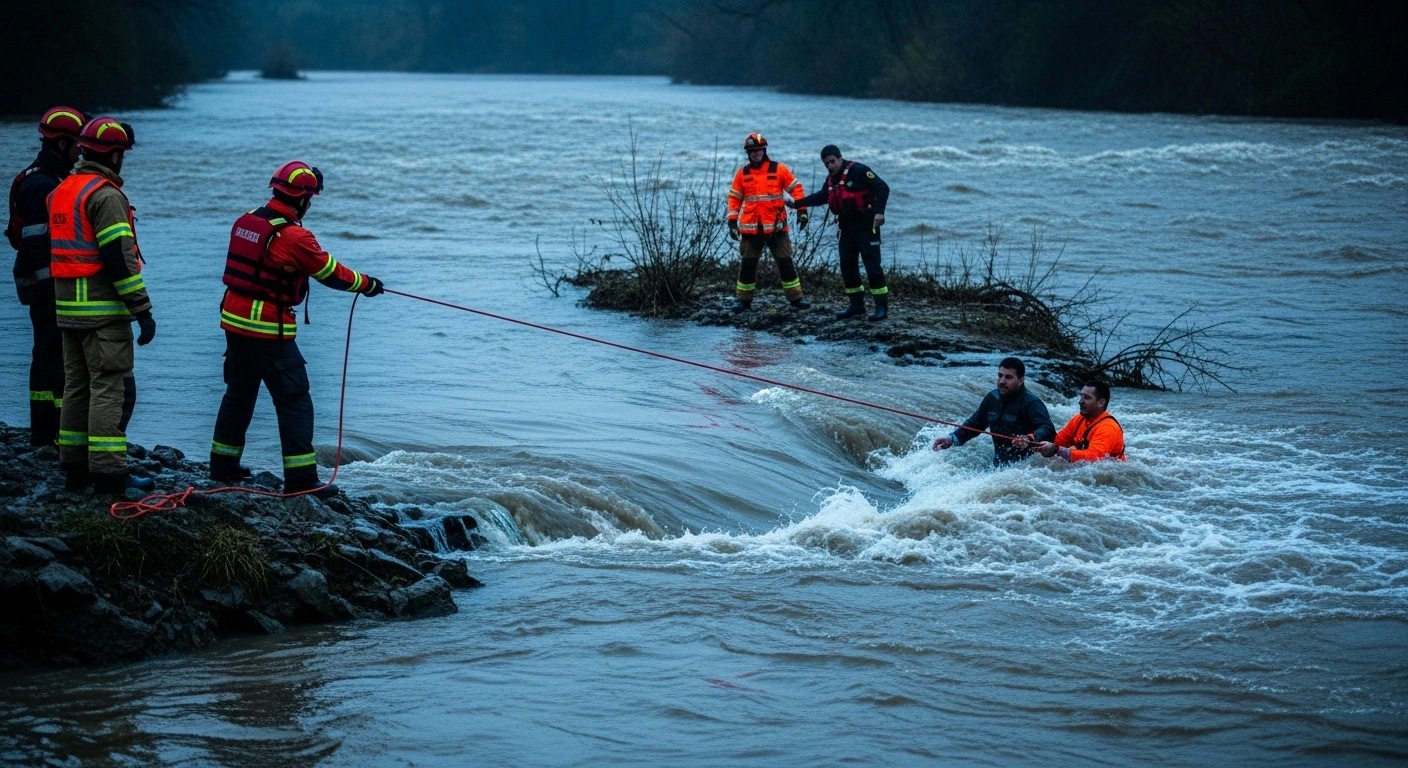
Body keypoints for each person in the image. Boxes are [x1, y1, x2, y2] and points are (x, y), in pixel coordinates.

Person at [209, 161, 385, 499]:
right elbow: (331, 272)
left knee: (239, 395)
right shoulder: (294, 236)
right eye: (311, 198)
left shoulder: (247, 220)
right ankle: (302, 479)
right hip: (266, 329)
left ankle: (222, 467)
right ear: (302, 199)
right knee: (295, 401)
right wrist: (367, 284)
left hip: (233, 322)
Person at [48, 117, 157, 493]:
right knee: (109, 387)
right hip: (102, 309)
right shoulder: (106, 195)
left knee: (76, 386)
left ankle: (75, 466)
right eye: (121, 154)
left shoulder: (64, 189)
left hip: (67, 307)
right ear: (112, 154)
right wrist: (142, 310)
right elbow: (118, 259)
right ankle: (110, 472)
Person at [7, 106, 85, 448]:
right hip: (46, 285)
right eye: (76, 145)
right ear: (61, 144)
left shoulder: (43, 178)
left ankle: (42, 431)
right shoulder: (42, 184)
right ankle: (55, 431)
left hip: (39, 283)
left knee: (43, 356)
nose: (80, 151)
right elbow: (38, 244)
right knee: (56, 358)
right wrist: (55, 287)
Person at [787, 145, 891, 320]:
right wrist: (797, 204)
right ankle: (856, 306)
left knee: (872, 267)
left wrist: (879, 212)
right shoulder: (831, 180)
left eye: (832, 162)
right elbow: (822, 196)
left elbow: (883, 188)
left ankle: (881, 308)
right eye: (826, 163)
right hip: (847, 229)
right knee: (847, 266)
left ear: (840, 158)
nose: (829, 166)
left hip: (866, 226)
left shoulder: (859, 171)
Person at [726, 133, 809, 312]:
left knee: (785, 263)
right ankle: (743, 301)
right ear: (748, 154)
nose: (755, 154)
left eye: (758, 150)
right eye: (752, 151)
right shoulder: (742, 173)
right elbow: (734, 198)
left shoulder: (778, 169)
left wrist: (802, 209)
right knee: (747, 265)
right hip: (751, 228)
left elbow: (796, 188)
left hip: (777, 228)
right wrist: (732, 221)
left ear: (764, 150)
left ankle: (796, 299)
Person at [931, 357, 1055, 466]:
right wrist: (951, 439)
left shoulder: (1031, 403)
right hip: (998, 468)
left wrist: (1029, 438)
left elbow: (1048, 428)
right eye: (1000, 375)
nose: (1002, 381)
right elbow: (974, 424)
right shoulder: (992, 398)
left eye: (1008, 377)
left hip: (1027, 469)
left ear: (1021, 380)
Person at [1035, 381, 1126, 462]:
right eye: (1081, 396)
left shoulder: (1108, 428)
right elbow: (1057, 442)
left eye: (1087, 398)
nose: (1080, 401)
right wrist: (1031, 441)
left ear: (1101, 403)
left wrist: (1057, 450)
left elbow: (1094, 458)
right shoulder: (1078, 419)